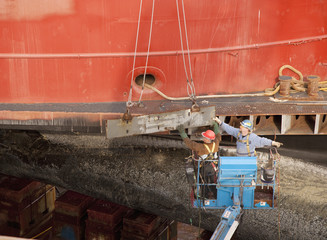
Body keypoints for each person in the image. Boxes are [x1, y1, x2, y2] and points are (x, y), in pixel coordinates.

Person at [177, 121, 221, 198]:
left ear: (207, 139)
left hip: (205, 170)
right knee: (213, 183)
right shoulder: (216, 143)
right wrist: (216, 126)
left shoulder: (202, 147)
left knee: (204, 183)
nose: (203, 138)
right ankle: (216, 196)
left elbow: (190, 144)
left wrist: (183, 134)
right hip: (214, 169)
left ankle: (205, 197)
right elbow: (218, 136)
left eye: (204, 137)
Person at [214, 117, 282, 157]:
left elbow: (262, 141)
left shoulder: (252, 137)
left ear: (247, 129)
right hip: (239, 158)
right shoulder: (238, 133)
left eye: (242, 126)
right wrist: (219, 122)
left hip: (249, 159)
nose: (240, 127)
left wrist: (273, 143)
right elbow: (229, 129)